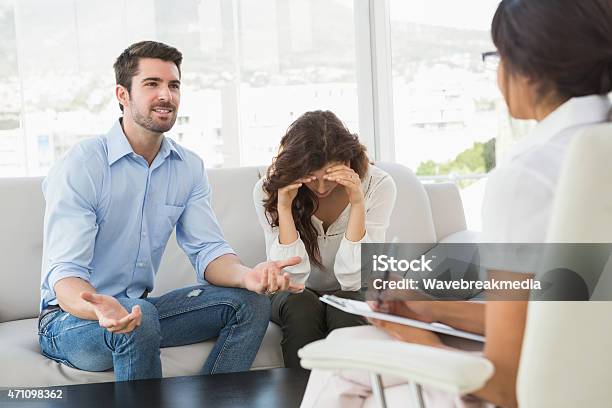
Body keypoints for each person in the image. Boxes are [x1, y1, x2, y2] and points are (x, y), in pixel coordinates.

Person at [300, 0, 612, 406]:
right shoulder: (596, 148)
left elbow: (508, 384)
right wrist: (435, 311)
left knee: (337, 361)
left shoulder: (527, 175)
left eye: (498, 56)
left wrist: (415, 337)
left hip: (546, 391)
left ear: (525, 66)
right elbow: (562, 315)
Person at [38, 41, 303, 382]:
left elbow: (208, 251)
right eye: (152, 84)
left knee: (251, 304)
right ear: (122, 94)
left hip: (138, 310)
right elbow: (65, 276)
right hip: (70, 320)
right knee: (140, 317)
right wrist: (99, 309)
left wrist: (247, 276)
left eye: (173, 85)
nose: (166, 95)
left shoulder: (187, 167)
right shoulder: (84, 164)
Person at [253, 110, 397, 367]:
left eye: (328, 177)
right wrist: (284, 208)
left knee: (347, 305)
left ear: (348, 161)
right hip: (293, 294)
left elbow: (355, 279)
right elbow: (292, 280)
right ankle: (301, 397)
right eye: (312, 178)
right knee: (302, 306)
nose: (320, 188)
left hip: (353, 289)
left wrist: (357, 203)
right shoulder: (269, 189)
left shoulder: (378, 185)